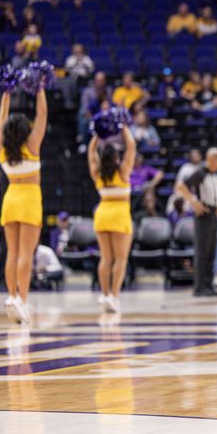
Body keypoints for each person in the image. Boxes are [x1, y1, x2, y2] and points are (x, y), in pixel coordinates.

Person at [0, 81, 48, 324]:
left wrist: (6, 94)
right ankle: (23, 301)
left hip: (11, 198)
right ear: (26, 130)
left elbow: (0, 121)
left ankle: (12, 296)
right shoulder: (33, 145)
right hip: (29, 198)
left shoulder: (1, 148)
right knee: (26, 253)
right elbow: (42, 114)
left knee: (12, 253)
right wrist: (40, 88)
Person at [87, 126, 135, 313]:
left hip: (102, 213)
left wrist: (97, 135)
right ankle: (114, 296)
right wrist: (123, 127)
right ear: (116, 158)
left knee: (106, 258)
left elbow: (91, 152)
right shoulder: (123, 172)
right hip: (120, 215)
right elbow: (131, 147)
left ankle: (104, 294)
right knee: (120, 260)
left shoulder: (97, 174)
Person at [175, 147, 217, 297]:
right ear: (213, 159)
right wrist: (194, 203)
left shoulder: (215, 175)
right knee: (202, 252)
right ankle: (199, 287)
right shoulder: (200, 173)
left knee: (211, 252)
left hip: (213, 215)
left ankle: (208, 285)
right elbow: (181, 186)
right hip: (203, 215)